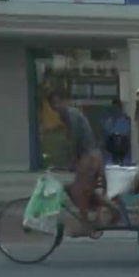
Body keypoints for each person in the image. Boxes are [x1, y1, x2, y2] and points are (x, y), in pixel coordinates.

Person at [47, 90, 111, 238]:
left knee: (78, 191)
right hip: (91, 156)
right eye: (53, 105)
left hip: (89, 157)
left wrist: (72, 161)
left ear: (63, 101)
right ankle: (111, 211)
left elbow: (74, 140)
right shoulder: (68, 115)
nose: (56, 107)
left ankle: (85, 225)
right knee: (84, 192)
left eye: (57, 102)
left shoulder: (71, 114)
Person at [103, 97, 132, 165]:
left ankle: (120, 160)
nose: (115, 110)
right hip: (112, 145)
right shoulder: (109, 120)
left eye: (116, 108)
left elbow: (126, 131)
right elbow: (107, 131)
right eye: (113, 108)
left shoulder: (125, 119)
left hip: (122, 145)